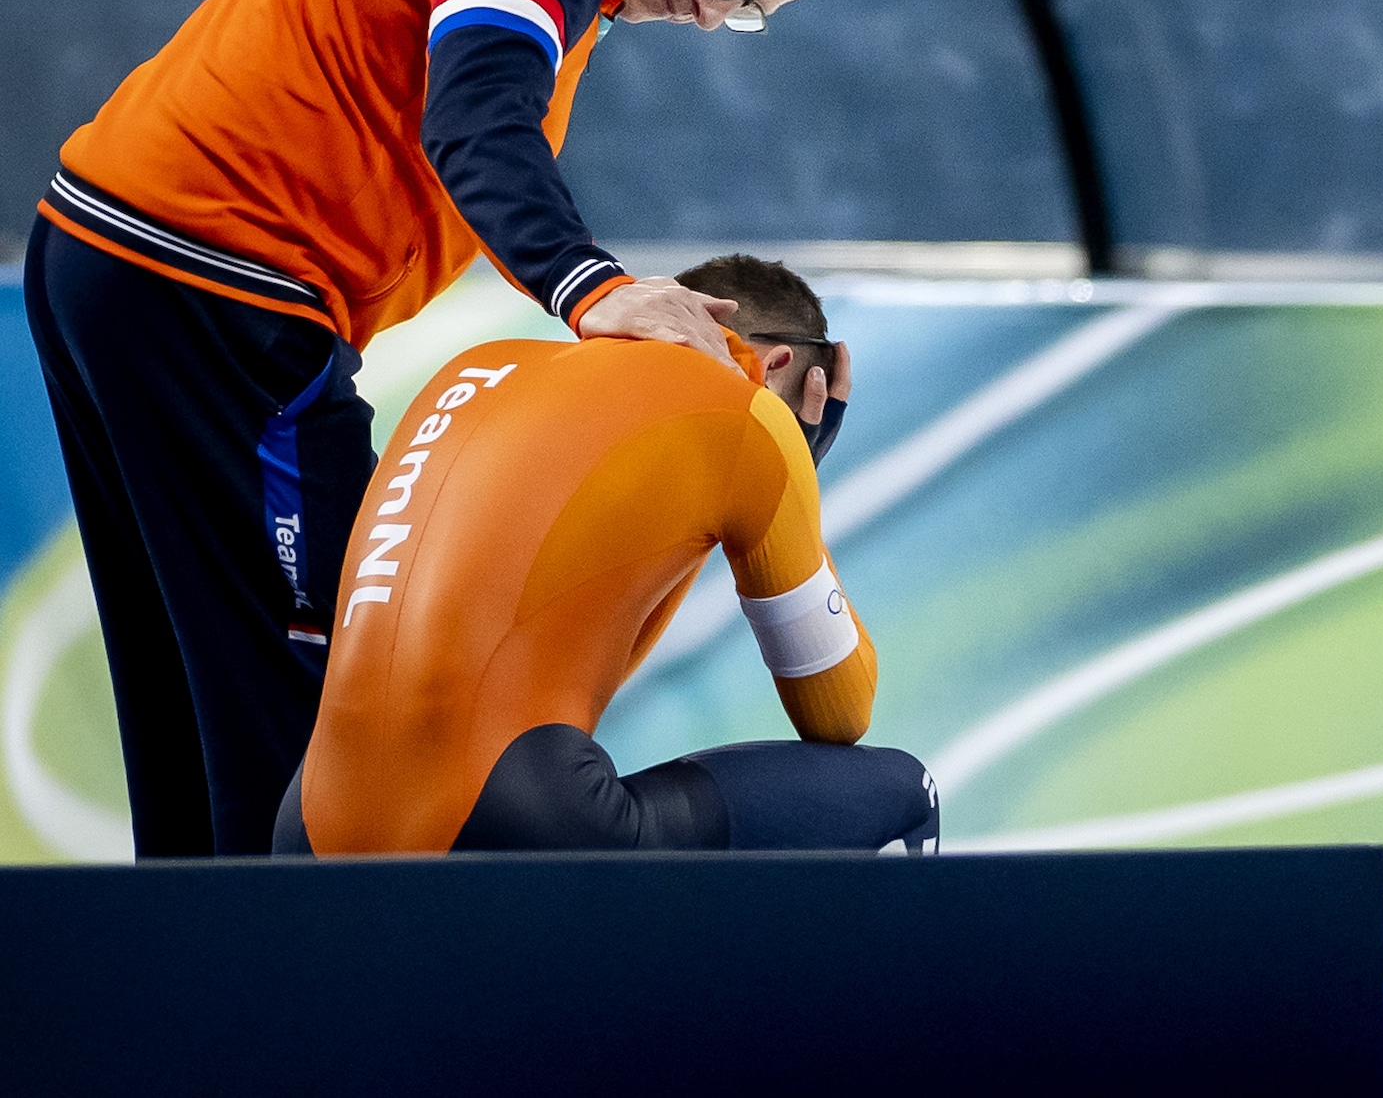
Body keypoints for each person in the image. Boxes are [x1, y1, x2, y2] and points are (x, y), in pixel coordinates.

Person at [23, 0, 874, 856]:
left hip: (108, 249)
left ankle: (194, 994)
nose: (713, 16)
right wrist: (592, 288)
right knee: (323, 717)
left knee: (191, 703)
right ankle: (294, 1009)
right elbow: (477, 122)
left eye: (747, 9)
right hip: (216, 282)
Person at [275, 256, 938, 856]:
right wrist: (795, 476)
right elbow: (838, 709)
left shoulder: (478, 367)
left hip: (307, 825)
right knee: (906, 795)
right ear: (791, 368)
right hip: (514, 807)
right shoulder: (749, 419)